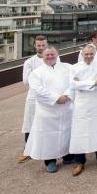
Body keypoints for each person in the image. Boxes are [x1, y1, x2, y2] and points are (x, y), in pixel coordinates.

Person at [24, 46, 75, 173]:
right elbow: (38, 90)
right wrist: (57, 98)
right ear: (43, 56)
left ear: (57, 55)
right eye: (47, 55)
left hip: (66, 108)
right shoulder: (36, 73)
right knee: (48, 136)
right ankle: (50, 160)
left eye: (53, 54)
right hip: (48, 111)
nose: (50, 57)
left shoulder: (68, 67)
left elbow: (74, 82)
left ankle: (67, 156)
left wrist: (67, 95)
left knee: (65, 133)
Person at [69, 45, 97, 176]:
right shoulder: (74, 67)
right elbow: (73, 84)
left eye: (91, 54)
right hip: (81, 105)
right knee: (79, 133)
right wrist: (93, 82)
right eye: (86, 54)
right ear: (82, 54)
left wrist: (83, 83)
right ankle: (79, 161)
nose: (88, 56)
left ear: (95, 54)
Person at [19, 35, 48, 163]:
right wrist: (40, 77)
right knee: (30, 123)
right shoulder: (29, 62)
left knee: (48, 122)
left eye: (43, 45)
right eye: (39, 45)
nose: (41, 48)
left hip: (48, 96)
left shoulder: (53, 58)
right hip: (34, 97)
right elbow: (26, 80)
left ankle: (48, 148)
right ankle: (28, 150)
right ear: (35, 46)